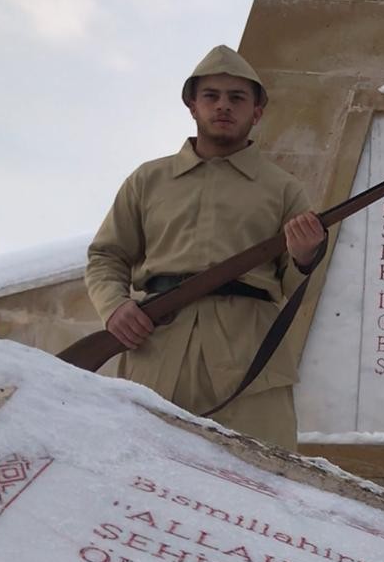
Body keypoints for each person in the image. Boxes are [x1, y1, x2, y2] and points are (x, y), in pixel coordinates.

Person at [85, 45, 325, 449]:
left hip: (249, 359)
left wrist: (304, 256)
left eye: (237, 98)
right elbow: (106, 256)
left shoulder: (283, 188)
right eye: (211, 96)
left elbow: (297, 284)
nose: (223, 106)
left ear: (257, 112)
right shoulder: (148, 180)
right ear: (192, 106)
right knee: (141, 471)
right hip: (158, 350)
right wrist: (115, 307)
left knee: (260, 482)